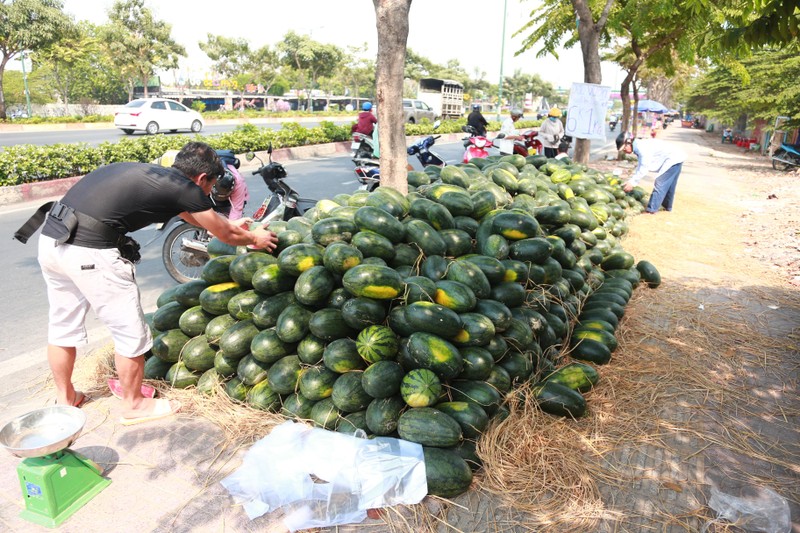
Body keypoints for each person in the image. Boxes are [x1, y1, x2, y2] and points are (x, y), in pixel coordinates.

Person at [20, 141, 278, 425]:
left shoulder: (159, 178)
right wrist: (255, 239)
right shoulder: (186, 188)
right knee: (131, 331)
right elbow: (223, 235)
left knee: (62, 325)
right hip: (91, 252)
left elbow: (193, 217)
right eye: (211, 186)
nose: (208, 193)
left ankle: (66, 397)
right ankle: (133, 405)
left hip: (53, 239)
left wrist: (232, 224)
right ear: (202, 178)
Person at [616, 133, 687, 214]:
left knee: (660, 182)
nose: (625, 151)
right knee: (669, 185)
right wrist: (632, 180)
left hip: (674, 158)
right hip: (677, 157)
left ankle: (651, 210)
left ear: (629, 143)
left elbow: (644, 167)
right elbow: (640, 165)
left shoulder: (642, 148)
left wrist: (633, 182)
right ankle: (667, 207)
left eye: (624, 148)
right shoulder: (639, 146)